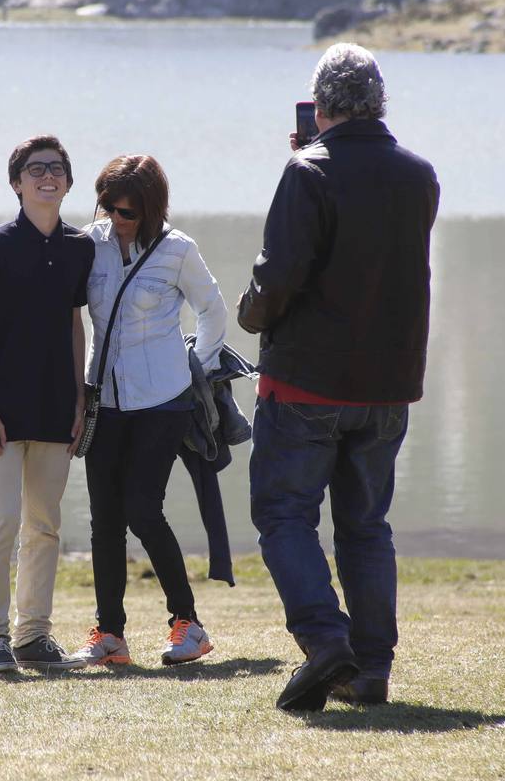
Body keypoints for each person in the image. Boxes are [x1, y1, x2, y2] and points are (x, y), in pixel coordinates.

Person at [237, 43, 440, 711]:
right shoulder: (420, 176)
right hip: (387, 385)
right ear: (381, 103)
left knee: (283, 513)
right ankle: (371, 669)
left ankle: (327, 642)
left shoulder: (308, 173)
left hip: (307, 385)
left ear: (320, 106)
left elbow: (280, 276)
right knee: (365, 525)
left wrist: (248, 313)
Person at [69, 155, 229, 667]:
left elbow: (213, 310)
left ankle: (188, 624)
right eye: (109, 207)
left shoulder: (177, 249)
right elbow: (51, 298)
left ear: (152, 208)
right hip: (105, 399)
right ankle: (109, 634)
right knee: (104, 520)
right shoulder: (87, 243)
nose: (117, 218)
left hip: (163, 402)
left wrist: (195, 369)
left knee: (141, 507)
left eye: (129, 212)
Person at [0, 134, 95, 674]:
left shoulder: (79, 247)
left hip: (57, 408)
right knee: (0, 524)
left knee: (45, 525)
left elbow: (73, 323)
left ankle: (33, 635)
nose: (47, 176)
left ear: (67, 181)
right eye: (35, 169)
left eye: (57, 169)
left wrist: (80, 397)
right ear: (16, 184)